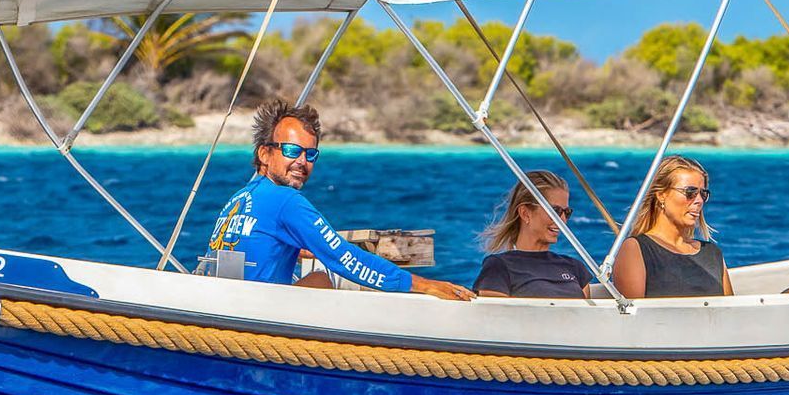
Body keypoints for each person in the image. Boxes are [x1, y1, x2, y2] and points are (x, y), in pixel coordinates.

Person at [205, 99, 473, 300]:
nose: (302, 161)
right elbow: (344, 257)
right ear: (264, 154)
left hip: (225, 305)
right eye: (291, 150)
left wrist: (291, 247)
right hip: (257, 319)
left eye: (311, 155)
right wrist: (422, 285)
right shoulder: (286, 201)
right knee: (322, 279)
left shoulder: (239, 198)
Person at [611, 155, 732, 298]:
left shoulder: (712, 253)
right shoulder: (636, 249)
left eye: (703, 194)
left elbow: (731, 312)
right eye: (690, 192)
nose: (699, 201)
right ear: (661, 195)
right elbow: (634, 315)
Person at [472, 170, 593, 299]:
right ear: (525, 213)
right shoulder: (499, 267)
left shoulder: (575, 268)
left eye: (567, 212)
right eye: (555, 211)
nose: (562, 220)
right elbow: (494, 316)